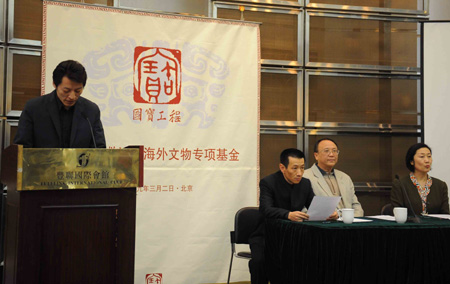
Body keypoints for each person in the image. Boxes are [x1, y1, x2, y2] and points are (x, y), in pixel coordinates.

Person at [248, 148, 337, 284]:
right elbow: (265, 209)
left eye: (302, 168)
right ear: (282, 167)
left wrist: (328, 213)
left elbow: (314, 206)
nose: (299, 173)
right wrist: (287, 214)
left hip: (293, 236)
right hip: (266, 235)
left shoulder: (305, 183)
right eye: (294, 168)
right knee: (260, 262)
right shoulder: (268, 182)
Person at [14, 60, 106, 148]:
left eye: (78, 91)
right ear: (55, 84)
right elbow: (22, 148)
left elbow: (99, 149)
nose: (72, 96)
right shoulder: (34, 108)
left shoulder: (91, 111)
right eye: (66, 90)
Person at [303, 138, 364, 217]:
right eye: (326, 151)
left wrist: (346, 217)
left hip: (349, 224)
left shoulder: (345, 177)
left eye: (334, 151)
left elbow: (356, 206)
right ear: (316, 155)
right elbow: (303, 210)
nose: (331, 154)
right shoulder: (305, 177)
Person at [391, 143, 449, 215]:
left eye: (429, 156)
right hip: (409, 225)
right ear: (412, 161)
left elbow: (445, 215)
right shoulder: (400, 184)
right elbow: (397, 214)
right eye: (422, 157)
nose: (427, 160)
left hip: (434, 226)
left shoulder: (441, 185)